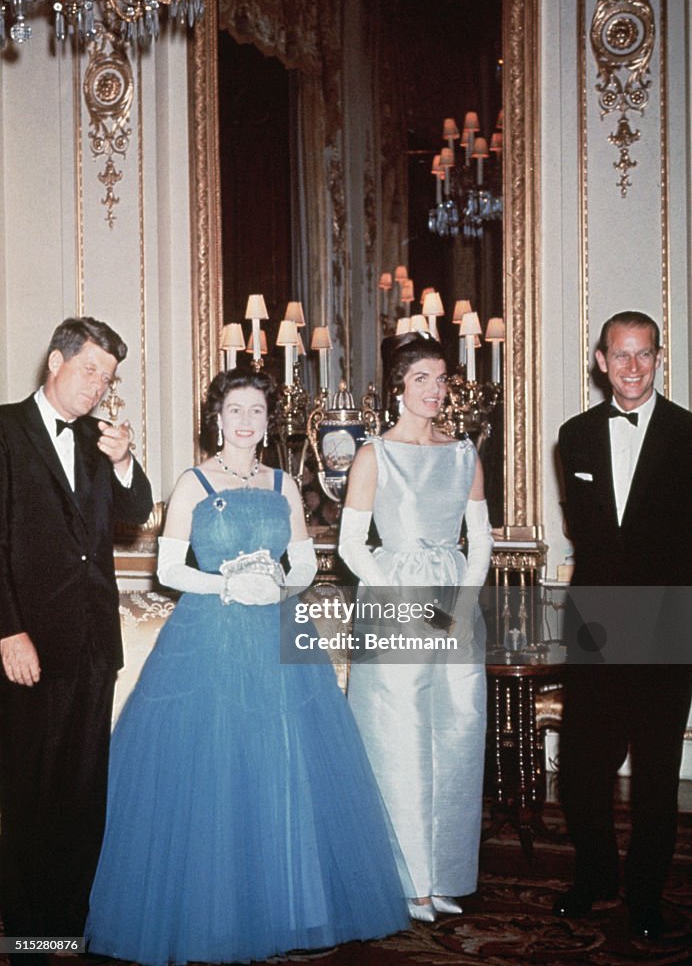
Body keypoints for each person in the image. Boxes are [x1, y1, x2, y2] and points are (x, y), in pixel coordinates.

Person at [86, 367, 408, 966]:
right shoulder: (193, 482)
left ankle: (289, 906)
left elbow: (308, 565)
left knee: (283, 764)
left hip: (277, 634)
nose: (245, 422)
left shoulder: (285, 482)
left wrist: (279, 584)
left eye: (256, 411)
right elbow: (169, 571)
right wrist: (228, 582)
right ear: (217, 417)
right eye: (235, 410)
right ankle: (211, 913)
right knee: (212, 771)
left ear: (267, 420)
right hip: (208, 636)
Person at [0, 317, 153, 951]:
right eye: (90, 370)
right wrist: (9, 632)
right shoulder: (4, 431)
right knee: (29, 797)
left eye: (108, 377)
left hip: (94, 643)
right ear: (55, 363)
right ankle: (29, 938)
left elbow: (132, 517)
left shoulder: (99, 439)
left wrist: (124, 464)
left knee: (82, 798)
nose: (98, 387)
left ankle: (64, 933)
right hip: (28, 645)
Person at [338, 331, 493, 922]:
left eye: (441, 377)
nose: (434, 389)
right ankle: (407, 880)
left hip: (455, 604)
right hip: (394, 600)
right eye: (421, 378)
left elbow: (479, 539)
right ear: (399, 388)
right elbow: (352, 545)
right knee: (399, 739)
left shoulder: (463, 454)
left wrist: (463, 604)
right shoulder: (374, 453)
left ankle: (445, 873)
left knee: (457, 732)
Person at [554, 310, 692, 939]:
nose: (633, 367)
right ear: (601, 360)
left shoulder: (688, 434)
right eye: (621, 355)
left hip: (666, 620)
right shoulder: (575, 436)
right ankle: (595, 877)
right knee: (585, 765)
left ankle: (644, 896)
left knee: (657, 773)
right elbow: (588, 534)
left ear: (657, 359)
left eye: (645, 355)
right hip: (599, 621)